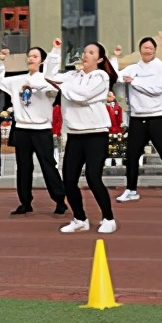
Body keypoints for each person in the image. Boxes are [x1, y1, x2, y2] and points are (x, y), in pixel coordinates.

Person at [46, 43, 118, 234]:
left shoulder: (101, 77)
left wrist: (64, 87)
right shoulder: (72, 76)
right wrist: (54, 52)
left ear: (99, 59)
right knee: (68, 180)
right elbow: (49, 76)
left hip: (96, 133)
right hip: (75, 134)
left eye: (91, 52)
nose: (86, 55)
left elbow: (83, 96)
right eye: (85, 51)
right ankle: (79, 218)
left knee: (94, 178)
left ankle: (108, 218)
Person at [0, 42, 67, 218]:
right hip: (22, 129)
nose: (31, 59)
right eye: (29, 56)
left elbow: (52, 83)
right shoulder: (18, 80)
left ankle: (59, 201)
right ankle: (25, 203)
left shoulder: (47, 81)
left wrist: (55, 51)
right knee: (23, 167)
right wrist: (0, 61)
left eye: (35, 56)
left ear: (42, 61)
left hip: (41, 129)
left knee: (48, 165)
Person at [116, 36, 162, 203]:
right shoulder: (133, 68)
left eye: (150, 48)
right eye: (145, 47)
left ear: (154, 50)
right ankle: (131, 189)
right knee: (131, 156)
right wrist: (115, 58)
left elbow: (157, 89)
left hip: (157, 117)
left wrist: (135, 82)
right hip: (137, 118)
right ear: (140, 50)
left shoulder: (160, 67)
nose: (148, 50)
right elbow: (115, 77)